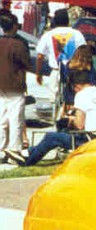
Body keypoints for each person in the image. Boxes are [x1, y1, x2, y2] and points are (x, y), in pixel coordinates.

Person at [9, 69, 96, 166]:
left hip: (89, 139)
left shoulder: (82, 95)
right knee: (58, 135)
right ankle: (24, 153)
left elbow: (79, 125)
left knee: (51, 137)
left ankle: (26, 161)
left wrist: (70, 120)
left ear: (76, 86)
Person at [35, 10, 85, 110]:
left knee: (54, 101)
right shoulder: (77, 34)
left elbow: (40, 56)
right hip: (73, 72)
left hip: (55, 71)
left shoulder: (48, 35)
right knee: (73, 101)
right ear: (68, 21)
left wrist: (38, 74)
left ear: (55, 21)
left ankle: (56, 119)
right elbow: (84, 52)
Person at [0, 15, 29, 161]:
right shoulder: (18, 45)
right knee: (15, 118)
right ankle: (14, 149)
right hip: (15, 85)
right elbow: (26, 63)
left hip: (1, 85)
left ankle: (1, 149)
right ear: (14, 26)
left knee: (2, 118)